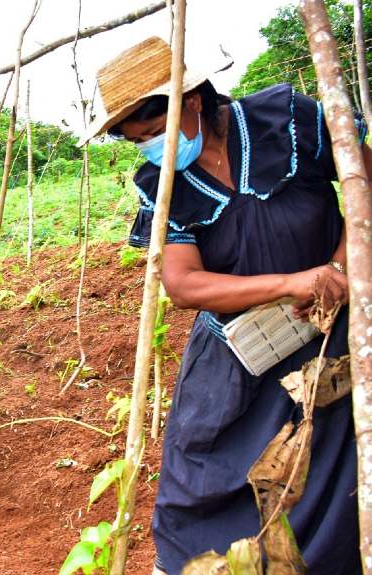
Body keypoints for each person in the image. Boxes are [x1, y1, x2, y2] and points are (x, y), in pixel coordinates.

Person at [81, 36, 365, 574]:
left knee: (330, 468)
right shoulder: (162, 184)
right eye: (138, 141)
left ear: (190, 99)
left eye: (155, 131)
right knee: (201, 478)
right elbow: (185, 285)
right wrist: (291, 283)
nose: (152, 149)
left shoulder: (288, 123)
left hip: (330, 335)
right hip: (238, 354)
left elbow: (364, 186)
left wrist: (339, 270)